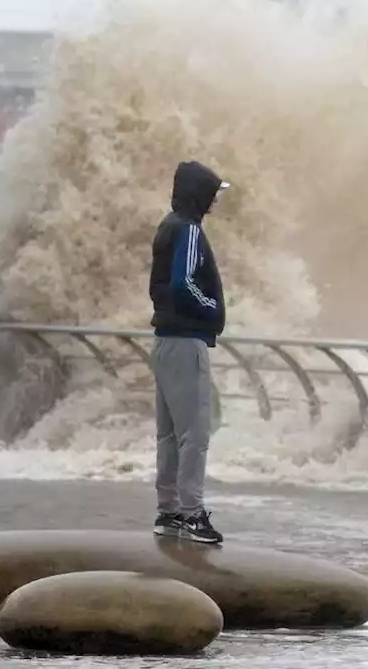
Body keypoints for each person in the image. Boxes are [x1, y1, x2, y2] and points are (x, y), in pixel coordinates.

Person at [148, 160, 229, 544]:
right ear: (200, 194)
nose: (215, 202)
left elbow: (163, 285)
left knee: (169, 434)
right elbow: (183, 284)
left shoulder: (168, 225)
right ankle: (193, 516)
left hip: (164, 341)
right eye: (213, 194)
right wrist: (212, 311)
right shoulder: (190, 230)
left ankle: (169, 512)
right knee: (195, 433)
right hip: (185, 342)